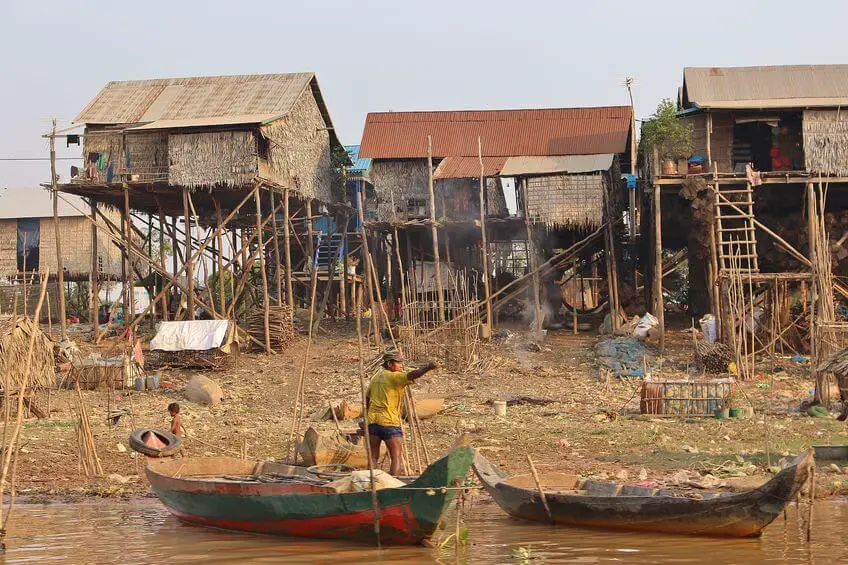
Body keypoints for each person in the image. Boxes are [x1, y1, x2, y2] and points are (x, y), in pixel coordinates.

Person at [366, 350, 440, 476]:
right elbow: (412, 375)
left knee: (373, 456)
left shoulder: (375, 377)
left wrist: (367, 416)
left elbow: (367, 398)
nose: (401, 366)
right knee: (396, 457)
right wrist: (429, 367)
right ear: (390, 364)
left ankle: (369, 484)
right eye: (398, 363)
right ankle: (393, 486)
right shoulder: (394, 376)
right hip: (389, 422)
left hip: (372, 422)